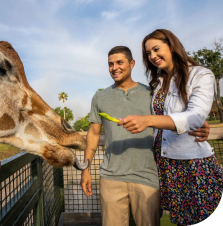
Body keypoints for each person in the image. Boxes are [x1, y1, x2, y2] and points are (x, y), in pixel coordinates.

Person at [80, 45, 209, 226]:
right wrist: (85, 170)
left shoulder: (152, 93)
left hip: (148, 176)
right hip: (111, 177)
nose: (114, 68)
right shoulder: (99, 97)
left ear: (132, 64)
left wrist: (200, 124)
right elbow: (93, 135)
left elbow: (176, 116)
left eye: (119, 62)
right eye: (110, 64)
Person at [119, 29, 223, 226]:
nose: (152, 56)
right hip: (166, 163)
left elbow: (195, 116)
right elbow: (175, 117)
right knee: (182, 220)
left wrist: (148, 120)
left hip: (192, 164)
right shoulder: (158, 82)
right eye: (148, 53)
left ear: (172, 46)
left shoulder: (201, 74)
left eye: (156, 49)